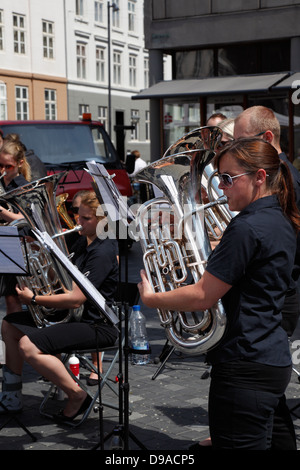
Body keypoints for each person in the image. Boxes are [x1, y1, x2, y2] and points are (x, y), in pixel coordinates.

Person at [138, 137, 300, 450]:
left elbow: (203, 296)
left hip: (244, 363)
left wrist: (151, 298)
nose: (221, 187)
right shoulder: (280, 218)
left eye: (227, 178)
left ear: (259, 177)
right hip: (269, 357)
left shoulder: (246, 227)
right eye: (218, 178)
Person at [0, 191, 119, 421]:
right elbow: (62, 279)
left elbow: (75, 298)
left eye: (86, 218)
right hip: (73, 317)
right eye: (78, 216)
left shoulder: (103, 251)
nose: (78, 222)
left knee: (28, 346)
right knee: (9, 325)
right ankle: (11, 396)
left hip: (96, 324)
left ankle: (76, 395)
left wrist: (34, 299)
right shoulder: (82, 243)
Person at [0, 135, 32, 316]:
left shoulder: (23, 186)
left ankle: (15, 333)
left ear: (20, 163)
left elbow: (23, 218)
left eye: (8, 166)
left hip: (17, 245)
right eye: (0, 166)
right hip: (5, 241)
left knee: (12, 296)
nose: (3, 170)